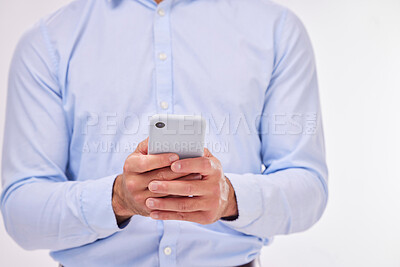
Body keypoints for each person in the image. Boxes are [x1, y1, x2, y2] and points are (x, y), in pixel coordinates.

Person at [1, 0, 328, 266]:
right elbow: (20, 210)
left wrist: (228, 198)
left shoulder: (277, 30)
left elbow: (308, 186)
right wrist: (117, 199)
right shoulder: (48, 41)